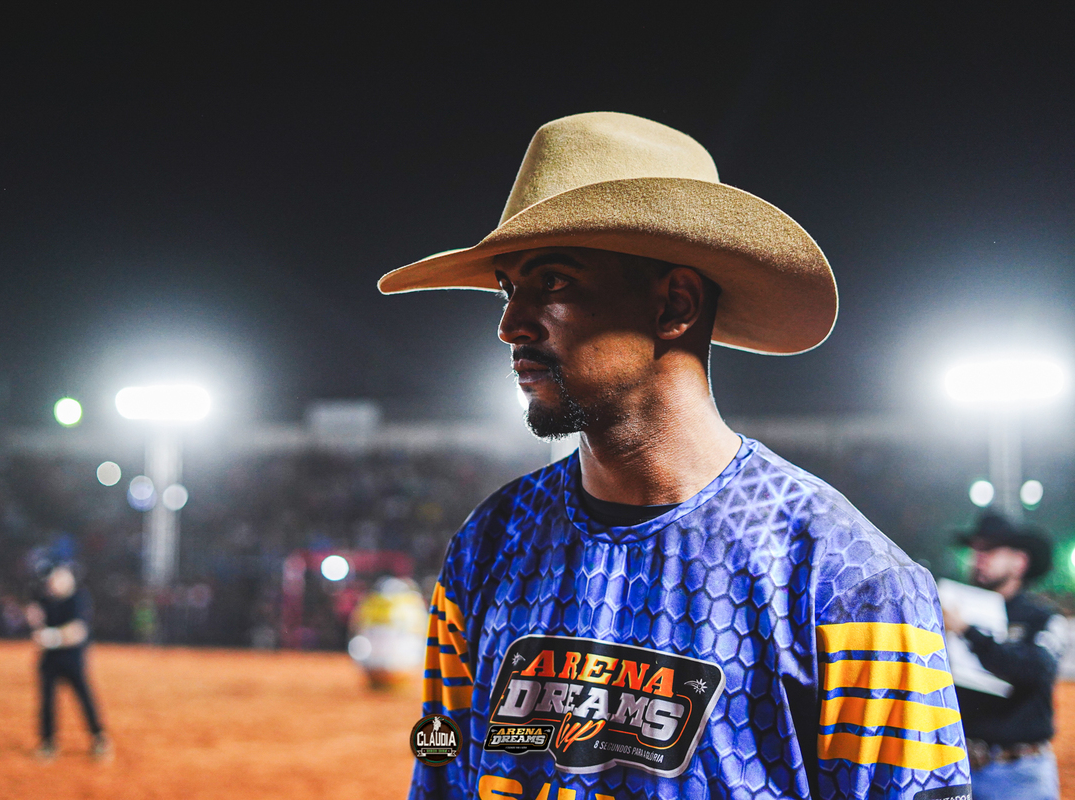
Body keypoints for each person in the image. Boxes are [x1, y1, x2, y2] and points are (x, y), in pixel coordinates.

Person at [379, 112, 971, 799]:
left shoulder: (846, 577)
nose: (510, 324)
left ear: (675, 305)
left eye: (554, 281)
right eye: (510, 289)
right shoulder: (487, 542)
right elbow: (441, 774)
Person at [943, 512, 1064, 800]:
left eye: (990, 549)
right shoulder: (955, 610)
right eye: (976, 549)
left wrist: (968, 632)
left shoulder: (1041, 617)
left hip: (1018, 774)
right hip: (959, 767)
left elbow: (1036, 670)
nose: (978, 557)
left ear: (1019, 562)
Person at [25, 561, 111, 761]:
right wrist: (33, 618)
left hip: (73, 660)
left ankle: (99, 738)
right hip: (50, 660)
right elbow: (35, 620)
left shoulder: (78, 599)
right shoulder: (44, 599)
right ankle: (48, 743)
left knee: (84, 699)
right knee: (47, 703)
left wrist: (51, 637)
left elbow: (77, 632)